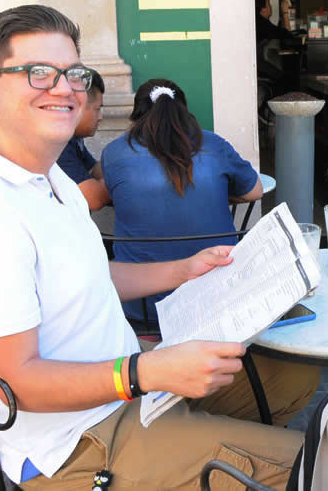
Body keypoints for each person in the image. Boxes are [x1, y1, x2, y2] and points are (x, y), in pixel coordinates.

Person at [0, 5, 317, 489]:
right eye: (37, 73)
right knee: (313, 465)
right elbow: (16, 383)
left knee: (296, 378)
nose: (63, 88)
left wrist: (185, 269)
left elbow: (91, 274)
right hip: (74, 441)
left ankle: (209, 453)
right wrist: (146, 371)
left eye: (72, 73)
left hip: (130, 391)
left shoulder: (48, 174)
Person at [101, 78, 263, 326]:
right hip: (218, 299)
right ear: (184, 112)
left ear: (136, 116)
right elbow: (255, 191)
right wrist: (216, 193)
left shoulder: (115, 152)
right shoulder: (214, 144)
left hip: (142, 305)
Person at [56, 69, 110, 210]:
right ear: (78, 105)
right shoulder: (59, 145)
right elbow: (94, 199)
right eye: (97, 109)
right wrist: (128, 182)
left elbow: (95, 170)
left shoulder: (75, 139)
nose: (100, 117)